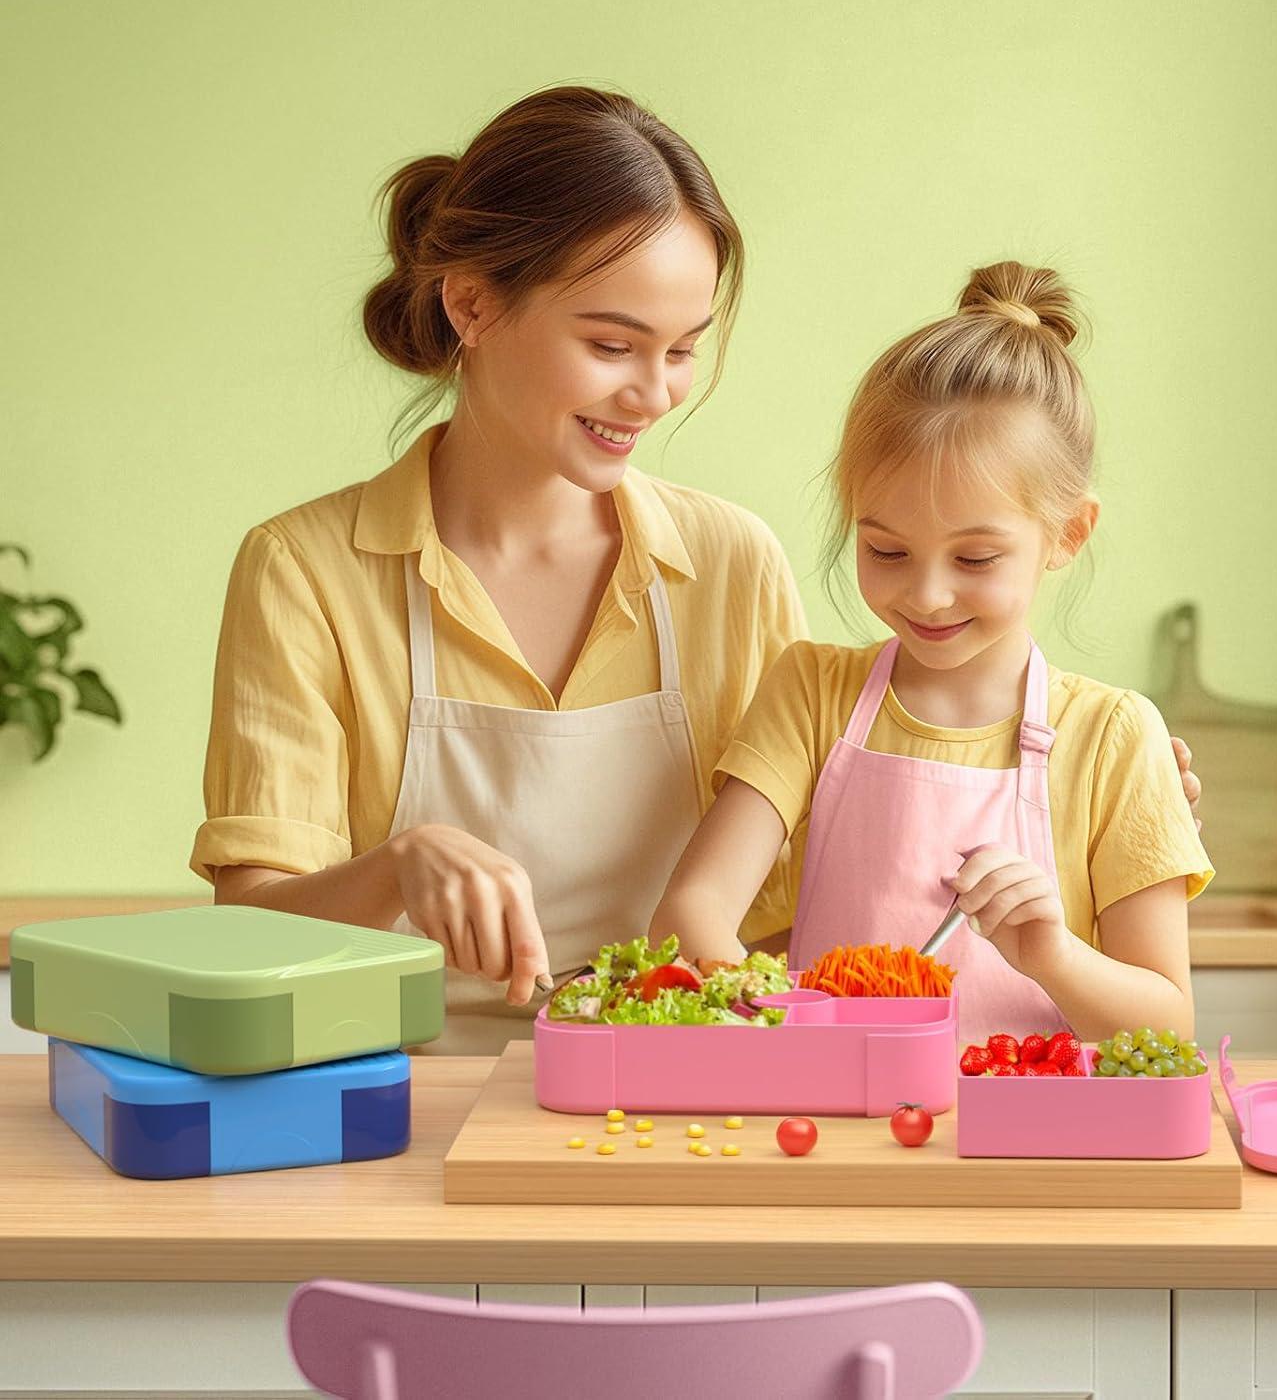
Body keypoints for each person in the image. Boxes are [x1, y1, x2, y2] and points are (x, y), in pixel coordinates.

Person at [193, 85, 1201, 1052]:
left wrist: (1103, 792)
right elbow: (243, 944)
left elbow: (813, 869)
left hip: (678, 1094)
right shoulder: (307, 572)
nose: (654, 394)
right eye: (612, 344)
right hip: (406, 1094)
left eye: (681, 350)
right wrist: (397, 871)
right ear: (471, 305)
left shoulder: (729, 563)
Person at [650, 261, 1213, 1046]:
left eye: (975, 558)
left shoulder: (1116, 739)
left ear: (1067, 535)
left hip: (1026, 1122)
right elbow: (692, 911)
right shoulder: (811, 693)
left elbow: (1167, 1025)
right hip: (835, 1108)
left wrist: (1050, 954)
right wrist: (782, 1018)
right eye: (886, 550)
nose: (928, 594)